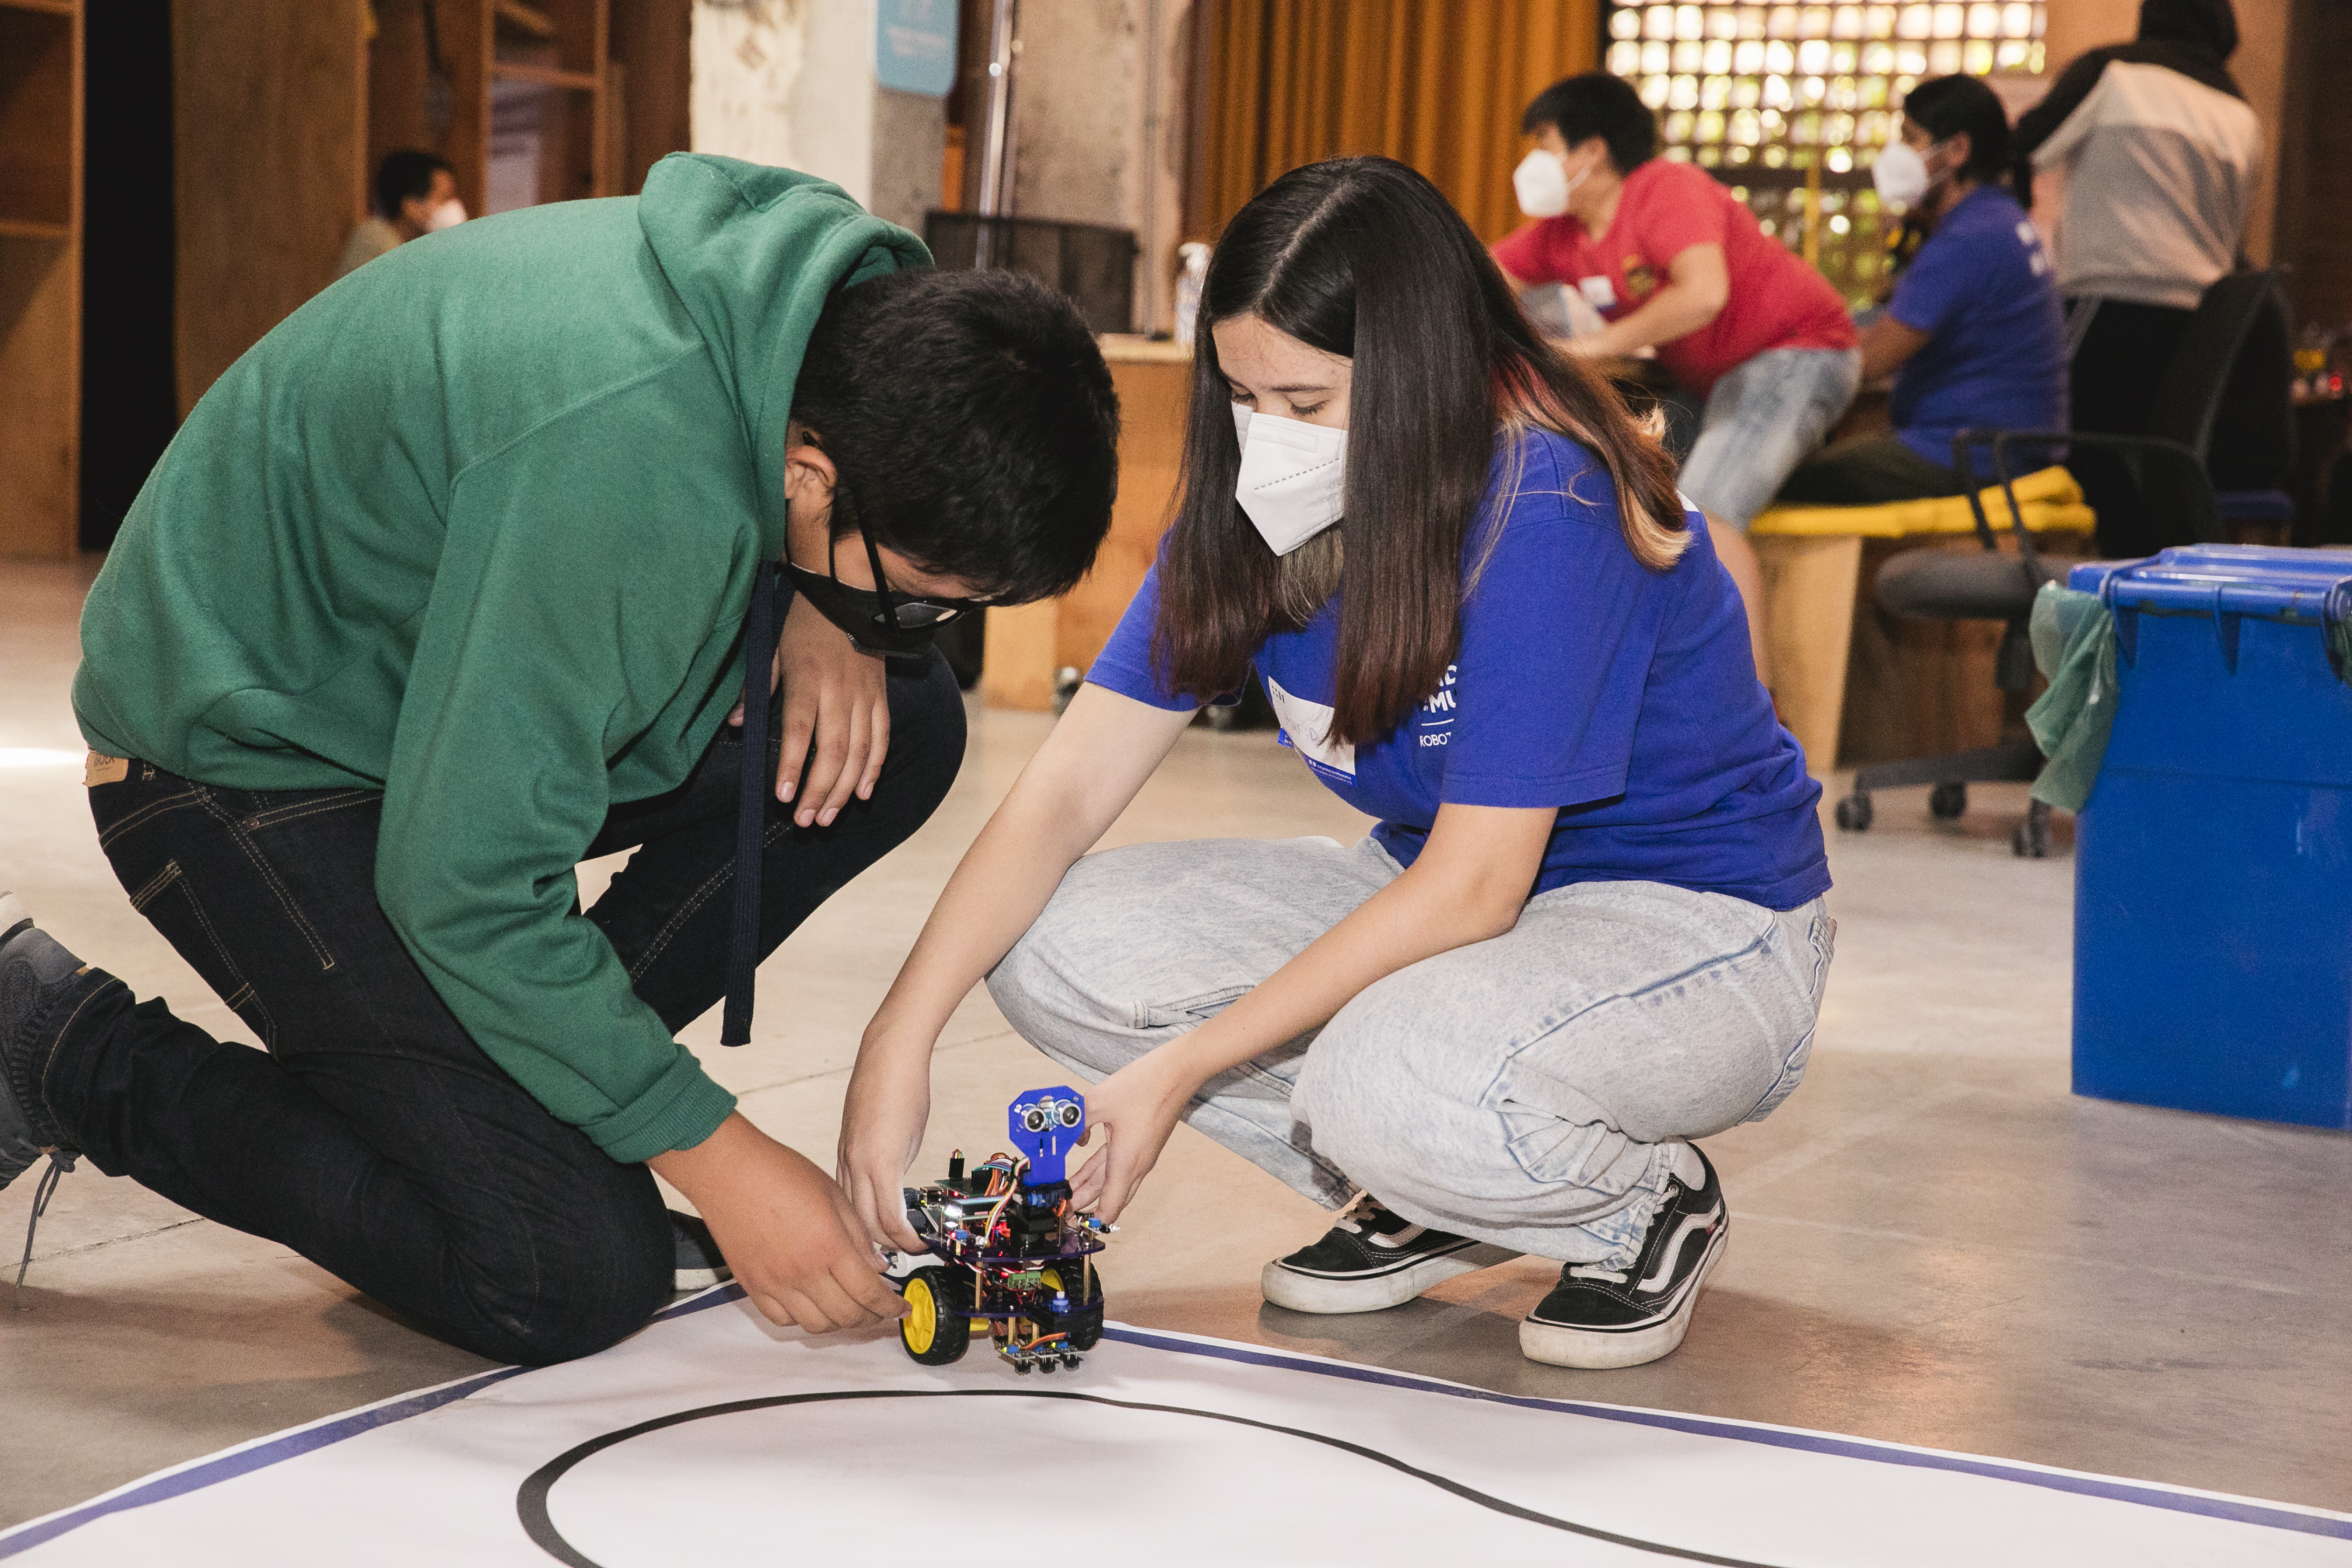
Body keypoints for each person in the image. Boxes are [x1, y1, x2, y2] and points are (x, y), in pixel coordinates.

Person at [0, 154, 1120, 1365]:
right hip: (238, 747)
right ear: (813, 475)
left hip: (420, 687)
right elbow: (465, 883)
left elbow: (779, 511)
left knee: (904, 725)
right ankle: (50, 1043)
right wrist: (716, 1150)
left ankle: (502, 1092)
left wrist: (831, 607)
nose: (920, 627)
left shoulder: (837, 322)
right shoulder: (623, 465)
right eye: (916, 597)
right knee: (564, 1269)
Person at [838, 157, 1834, 1372]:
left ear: (1420, 375)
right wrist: (901, 1034)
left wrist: (1185, 1069)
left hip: (1693, 926)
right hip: (1450, 901)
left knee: (1379, 1080)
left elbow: (1479, 885)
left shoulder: (1546, 501)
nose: (1268, 437)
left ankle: (1632, 1206)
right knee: (1047, 949)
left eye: (1305, 403)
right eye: (1241, 394)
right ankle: (1437, 1184)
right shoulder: (1256, 515)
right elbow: (1062, 795)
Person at [1494, 71, 1861, 672]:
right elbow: (1484, 282)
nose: (1533, 162)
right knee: (1622, 496)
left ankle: (1758, 721)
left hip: (1798, 353)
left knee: (1707, 511)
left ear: (1592, 151)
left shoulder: (1666, 188)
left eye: (1545, 144)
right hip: (1710, 383)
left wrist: (1596, 345)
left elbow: (1703, 295)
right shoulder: (1563, 233)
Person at [2012, 0, 2261, 556]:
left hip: (2113, 296)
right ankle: (2155, 589)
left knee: (2065, 441)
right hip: (2203, 322)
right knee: (2158, 463)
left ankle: (2108, 590)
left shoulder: (2113, 72)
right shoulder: (2240, 111)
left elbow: (2021, 146)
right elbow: (2238, 231)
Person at [1777, 76, 2066, 505]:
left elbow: (1870, 361)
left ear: (1957, 151)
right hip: (2004, 448)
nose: (1897, 154)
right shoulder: (1997, 219)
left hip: (1972, 456)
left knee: (1785, 481)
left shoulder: (1967, 239)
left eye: (1911, 139)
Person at [334, 150, 468, 280]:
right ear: (411, 205)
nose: (453, 206)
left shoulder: (407, 246)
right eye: (445, 198)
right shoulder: (377, 237)